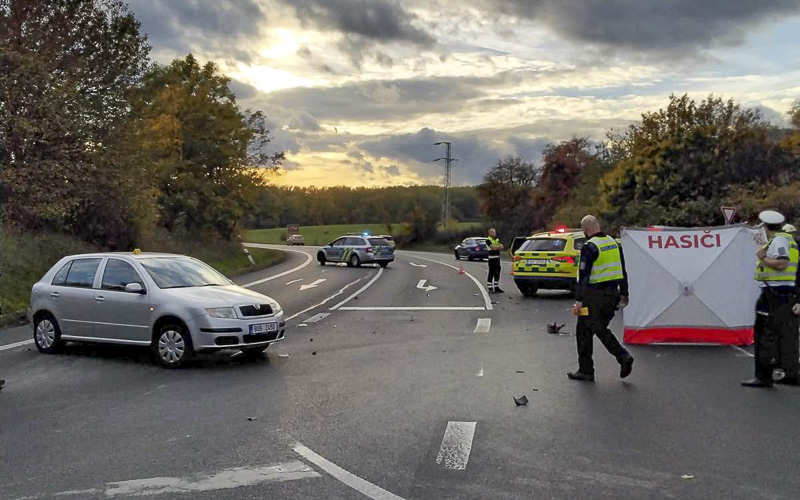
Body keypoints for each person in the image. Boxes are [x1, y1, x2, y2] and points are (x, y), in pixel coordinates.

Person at [568, 215, 634, 382]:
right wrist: (625, 293)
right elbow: (623, 270)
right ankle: (588, 369)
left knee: (586, 330)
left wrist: (578, 301)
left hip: (593, 296)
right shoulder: (613, 243)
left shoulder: (589, 247)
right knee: (596, 328)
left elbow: (583, 276)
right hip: (612, 295)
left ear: (585, 230)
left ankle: (619, 358)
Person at [742, 211, 800, 388]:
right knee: (787, 335)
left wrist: (763, 258)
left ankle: (763, 376)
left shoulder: (779, 241)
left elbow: (782, 264)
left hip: (774, 294)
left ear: (765, 226)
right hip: (786, 293)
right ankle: (792, 374)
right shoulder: (790, 241)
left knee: (765, 335)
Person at [486, 228, 504, 293]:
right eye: (493, 232)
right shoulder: (488, 240)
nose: (494, 233)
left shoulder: (496, 239)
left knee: (497, 273)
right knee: (491, 272)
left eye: (495, 232)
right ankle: (490, 287)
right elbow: (492, 248)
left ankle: (496, 287)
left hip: (497, 258)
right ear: (490, 233)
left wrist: (497, 247)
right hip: (491, 258)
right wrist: (497, 247)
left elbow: (502, 247)